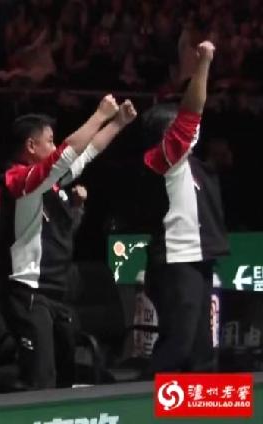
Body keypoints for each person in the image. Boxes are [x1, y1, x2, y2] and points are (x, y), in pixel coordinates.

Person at [0, 96, 137, 389]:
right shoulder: (18, 180)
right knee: (41, 381)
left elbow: (88, 152)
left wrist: (118, 123)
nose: (54, 146)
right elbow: (66, 154)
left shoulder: (53, 185)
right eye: (49, 141)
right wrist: (99, 115)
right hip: (29, 293)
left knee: (66, 377)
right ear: (31, 146)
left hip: (57, 292)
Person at [141, 41, 226, 373]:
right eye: (176, 126)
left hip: (197, 258)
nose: (190, 132)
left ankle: (202, 403)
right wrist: (204, 63)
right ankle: (148, 400)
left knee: (201, 350)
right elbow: (192, 112)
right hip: (175, 260)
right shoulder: (163, 160)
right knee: (180, 343)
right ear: (166, 133)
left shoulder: (193, 168)